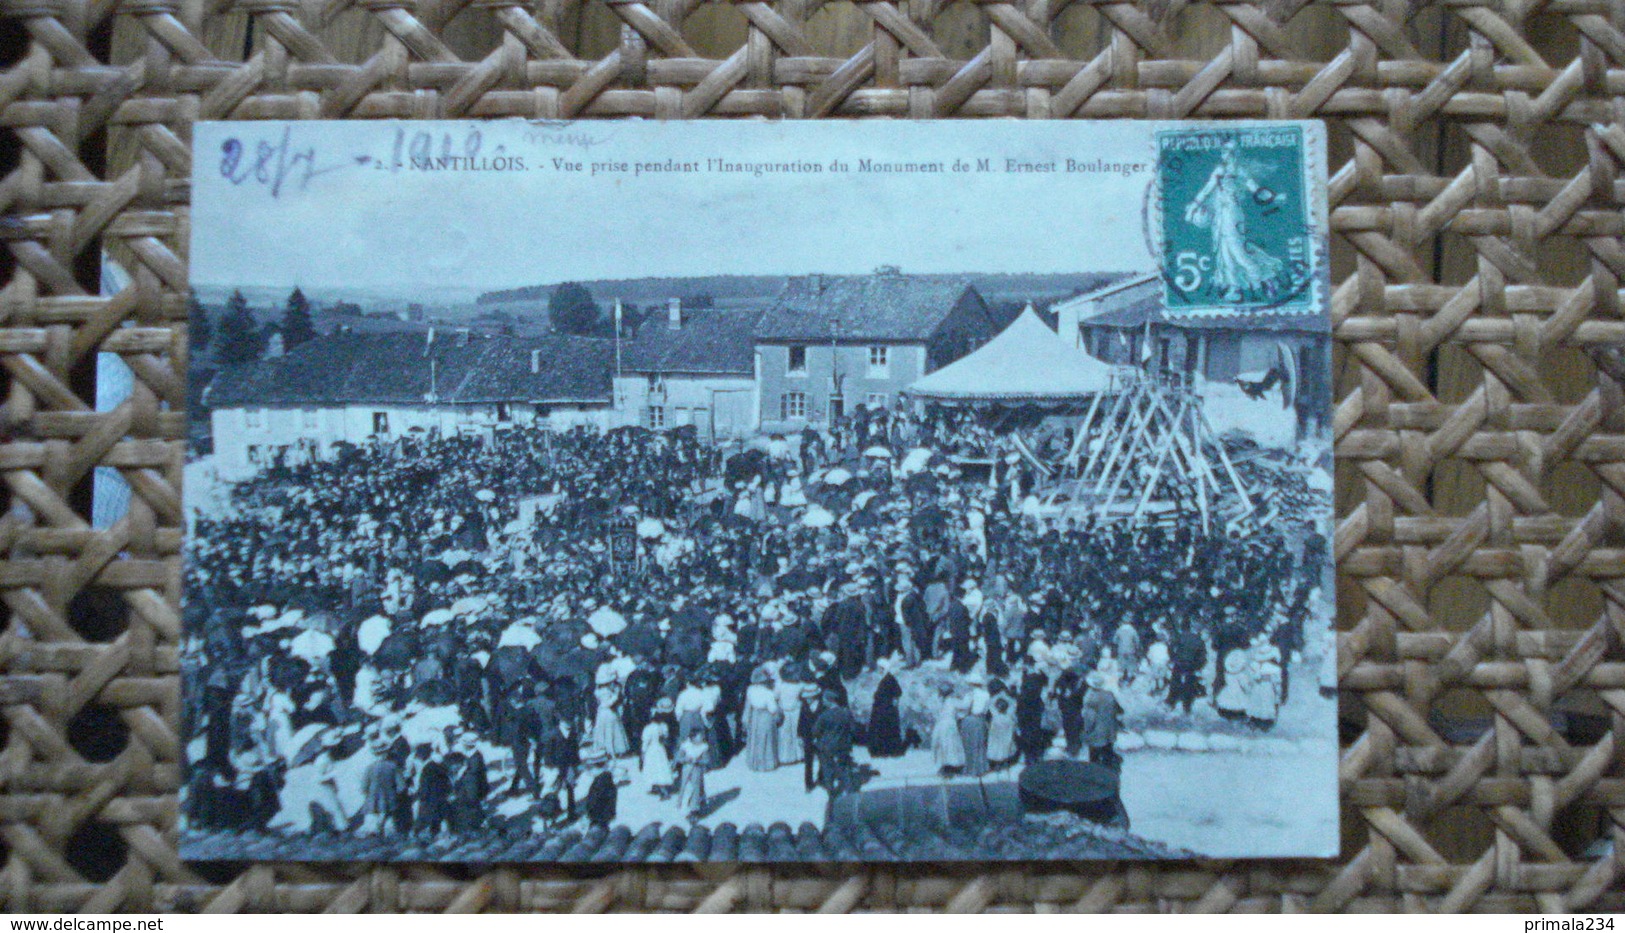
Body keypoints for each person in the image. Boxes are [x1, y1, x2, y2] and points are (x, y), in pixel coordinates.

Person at [811, 690, 857, 796]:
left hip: (827, 746)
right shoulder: (846, 713)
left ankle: (831, 792)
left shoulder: (824, 715)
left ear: (829, 701)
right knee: (845, 768)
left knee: (828, 769)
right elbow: (853, 729)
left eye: (824, 699)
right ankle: (850, 791)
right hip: (843, 745)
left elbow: (815, 731)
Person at [1080, 670, 1122, 770]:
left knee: (1094, 758)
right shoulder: (1109, 695)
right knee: (1107, 756)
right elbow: (1119, 711)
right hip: (1109, 732)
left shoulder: (1091, 698)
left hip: (1096, 732)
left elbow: (1089, 718)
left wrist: (1086, 731)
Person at [866, 659, 907, 758]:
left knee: (885, 730)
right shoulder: (886, 678)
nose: (878, 670)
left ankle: (885, 751)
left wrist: (891, 702)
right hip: (884, 709)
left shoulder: (889, 679)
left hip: (885, 710)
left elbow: (897, 693)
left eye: (880, 668)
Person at [742, 668, 780, 772]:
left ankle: (755, 763)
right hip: (766, 716)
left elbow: (748, 705)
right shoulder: (769, 693)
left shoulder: (750, 689)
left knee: (755, 738)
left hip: (755, 715)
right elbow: (773, 709)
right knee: (766, 739)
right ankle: (766, 764)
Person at [640, 698, 676, 797]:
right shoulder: (663, 726)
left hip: (651, 750)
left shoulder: (648, 729)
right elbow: (666, 736)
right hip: (660, 749)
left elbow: (645, 742)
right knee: (662, 767)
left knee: (653, 768)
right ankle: (660, 786)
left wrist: (643, 753)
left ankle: (661, 789)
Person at [959, 674, 992, 777]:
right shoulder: (986, 695)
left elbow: (965, 708)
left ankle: (970, 769)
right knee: (980, 744)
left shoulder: (970, 695)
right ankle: (981, 769)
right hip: (981, 720)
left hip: (970, 719)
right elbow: (986, 709)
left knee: (969, 745)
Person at [930, 686, 966, 775]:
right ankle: (954, 765)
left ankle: (945, 765)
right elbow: (964, 707)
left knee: (943, 745)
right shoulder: (952, 701)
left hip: (940, 725)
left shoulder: (939, 702)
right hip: (949, 724)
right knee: (952, 744)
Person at [675, 727, 710, 820]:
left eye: (702, 736)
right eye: (699, 736)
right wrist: (686, 759)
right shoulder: (686, 745)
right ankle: (685, 807)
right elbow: (679, 758)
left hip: (697, 770)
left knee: (696, 788)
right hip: (686, 770)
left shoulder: (703, 747)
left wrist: (698, 761)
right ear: (693, 738)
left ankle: (694, 810)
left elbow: (706, 760)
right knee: (686, 787)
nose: (702, 738)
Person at [581, 749, 618, 829]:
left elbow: (594, 802)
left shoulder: (600, 782)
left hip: (598, 818)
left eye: (590, 768)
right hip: (605, 817)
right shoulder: (607, 778)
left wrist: (588, 815)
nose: (589, 771)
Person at [986, 687, 1017, 770]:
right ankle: (1004, 763)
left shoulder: (995, 716)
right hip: (1005, 739)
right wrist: (1005, 696)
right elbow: (1013, 704)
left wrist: (999, 695)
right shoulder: (1009, 717)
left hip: (996, 739)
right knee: (1005, 749)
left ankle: (997, 765)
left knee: (997, 750)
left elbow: (990, 704)